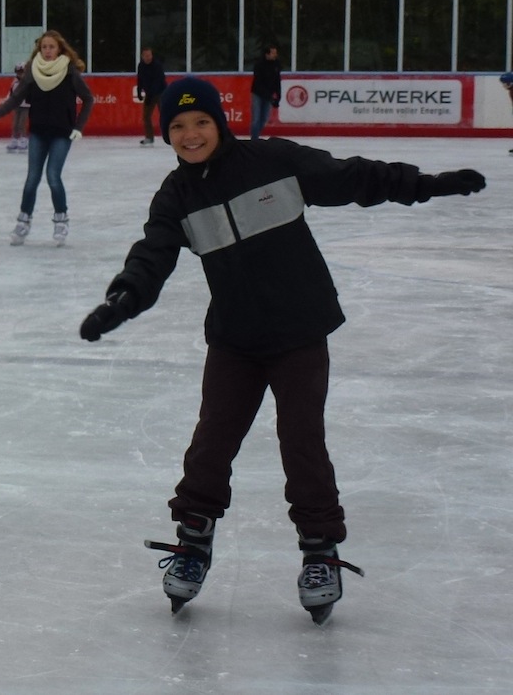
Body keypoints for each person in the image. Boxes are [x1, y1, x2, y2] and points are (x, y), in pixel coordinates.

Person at [78, 75, 487, 623]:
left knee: (302, 442)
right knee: (211, 443)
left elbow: (354, 177)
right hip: (236, 340)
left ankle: (320, 552)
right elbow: (152, 255)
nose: (191, 134)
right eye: (177, 126)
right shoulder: (176, 195)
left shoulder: (272, 162)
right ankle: (194, 542)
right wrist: (123, 299)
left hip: (299, 331)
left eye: (201, 122)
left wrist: (428, 184)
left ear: (220, 122)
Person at [0, 30, 94, 247]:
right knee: (32, 178)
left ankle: (61, 220)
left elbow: (88, 99)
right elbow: (15, 99)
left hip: (62, 133)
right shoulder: (32, 72)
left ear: (59, 49)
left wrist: (79, 127)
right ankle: (23, 221)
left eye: (52, 47)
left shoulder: (69, 72)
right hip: (38, 133)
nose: (48, 51)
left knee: (53, 176)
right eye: (44, 47)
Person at [250, 43, 282, 140]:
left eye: (275, 53)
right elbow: (258, 83)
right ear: (267, 54)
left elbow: (277, 80)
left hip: (269, 95)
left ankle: (256, 137)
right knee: (256, 118)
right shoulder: (259, 65)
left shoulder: (276, 64)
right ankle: (254, 140)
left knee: (264, 119)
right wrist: (268, 96)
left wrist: (278, 95)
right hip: (258, 94)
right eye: (273, 53)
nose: (275, 55)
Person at [136, 47, 167, 145]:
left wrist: (150, 95)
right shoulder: (141, 66)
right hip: (150, 93)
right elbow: (140, 79)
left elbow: (158, 81)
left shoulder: (157, 65)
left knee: (165, 114)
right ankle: (149, 137)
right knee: (146, 116)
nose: (148, 57)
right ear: (142, 56)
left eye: (149, 55)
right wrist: (139, 91)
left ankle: (170, 135)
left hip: (161, 93)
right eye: (146, 55)